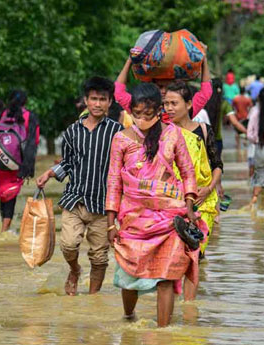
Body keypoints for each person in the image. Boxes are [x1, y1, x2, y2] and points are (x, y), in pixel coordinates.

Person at [105, 83, 202, 327]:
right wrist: (110, 223)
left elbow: (188, 172)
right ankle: (128, 318)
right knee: (129, 277)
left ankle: (163, 334)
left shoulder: (173, 134)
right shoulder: (121, 140)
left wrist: (190, 207)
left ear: (159, 111)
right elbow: (114, 182)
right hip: (133, 220)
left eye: (148, 114)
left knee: (166, 277)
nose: (142, 120)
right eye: (136, 114)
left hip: (169, 219)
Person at [36, 77, 123, 296]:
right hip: (75, 199)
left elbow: (126, 166)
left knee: (100, 257)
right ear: (86, 100)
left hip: (104, 205)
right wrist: (49, 173)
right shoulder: (72, 132)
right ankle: (74, 270)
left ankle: (93, 300)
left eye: (102, 99)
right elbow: (67, 163)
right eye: (93, 99)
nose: (97, 104)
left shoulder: (118, 132)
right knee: (68, 245)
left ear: (110, 102)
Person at [164, 81, 222, 300]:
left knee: (194, 255)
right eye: (166, 103)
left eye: (174, 103)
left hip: (202, 203)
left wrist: (209, 188)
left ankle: (189, 307)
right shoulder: (162, 134)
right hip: (172, 202)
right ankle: (171, 303)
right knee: (173, 255)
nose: (169, 108)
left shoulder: (203, 131)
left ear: (188, 104)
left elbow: (217, 165)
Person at [114, 56, 212, 122]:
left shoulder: (184, 109)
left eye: (168, 87)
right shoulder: (142, 107)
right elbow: (118, 92)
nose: (164, 91)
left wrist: (204, 61)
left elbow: (206, 92)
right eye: (160, 87)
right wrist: (129, 61)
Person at [0, 90, 40, 233]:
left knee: (3, 193)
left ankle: (3, 224)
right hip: (17, 161)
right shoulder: (29, 116)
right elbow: (33, 142)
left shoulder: (0, 114)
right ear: (25, 102)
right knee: (11, 193)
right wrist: (28, 168)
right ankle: (5, 228)